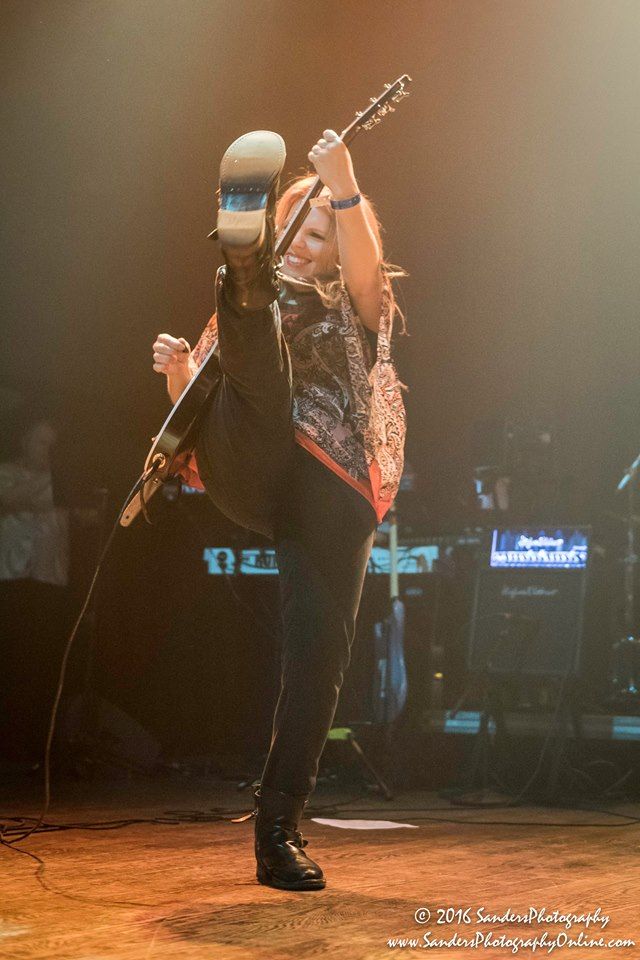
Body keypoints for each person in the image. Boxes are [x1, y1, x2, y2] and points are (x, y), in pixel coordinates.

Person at [151, 129, 407, 890]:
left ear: (335, 252)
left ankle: (277, 830)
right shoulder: (242, 324)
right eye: (289, 226)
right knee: (255, 359)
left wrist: (344, 185)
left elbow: (368, 279)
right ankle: (242, 273)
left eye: (316, 235)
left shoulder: (357, 306)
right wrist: (182, 377)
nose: (301, 243)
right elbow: (194, 422)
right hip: (250, 462)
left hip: (328, 489)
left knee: (316, 659)